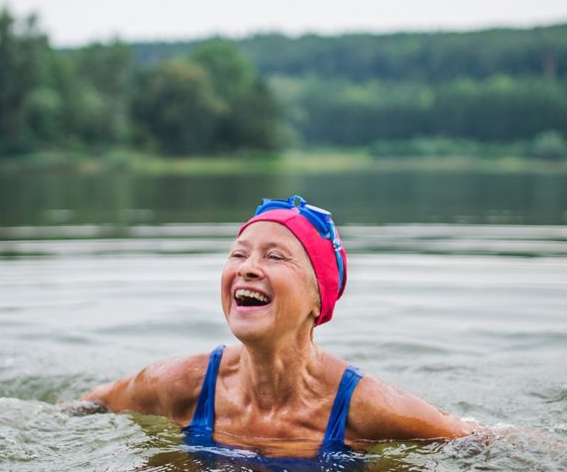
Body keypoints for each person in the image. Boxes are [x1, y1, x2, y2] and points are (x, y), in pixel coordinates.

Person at [71, 196, 474, 466]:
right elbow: (93, 403)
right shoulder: (182, 384)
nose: (247, 267)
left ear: (319, 300)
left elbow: (484, 442)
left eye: (275, 256)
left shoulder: (366, 407)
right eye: (238, 254)